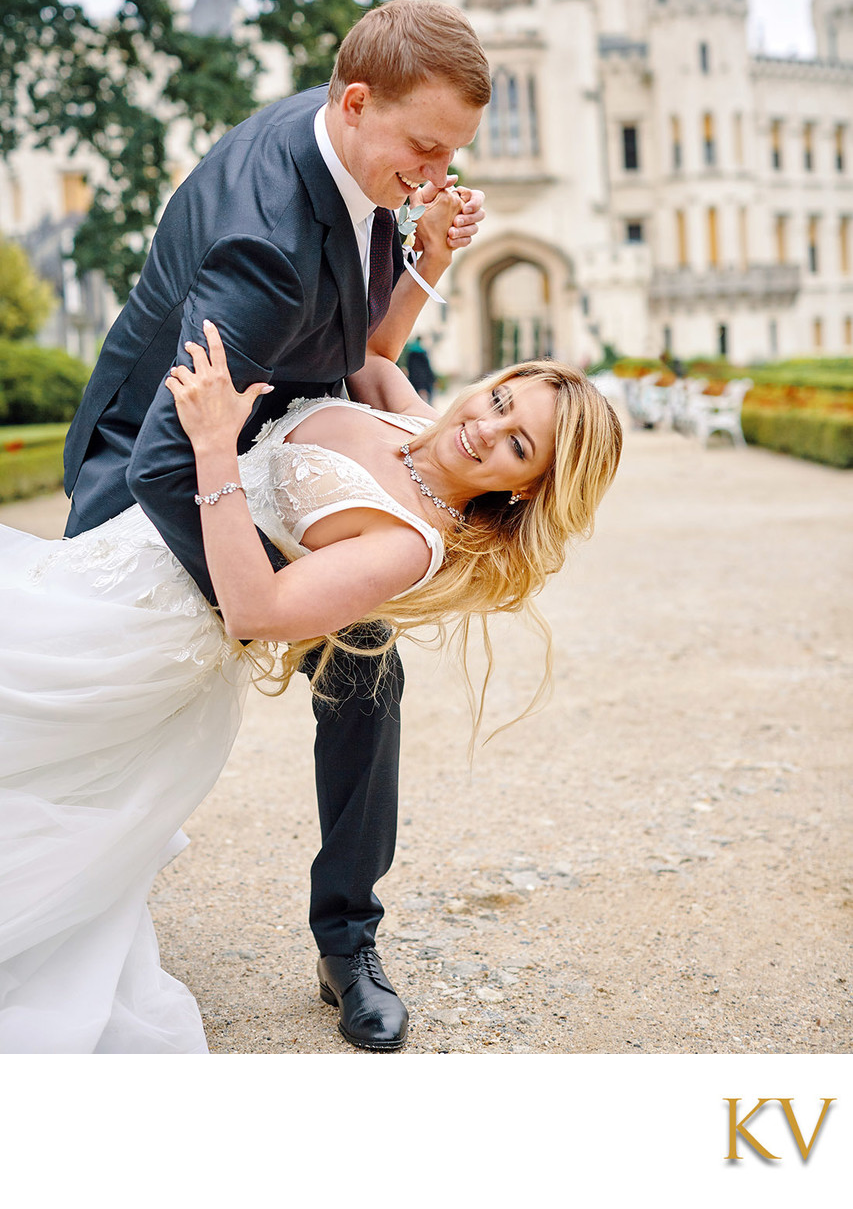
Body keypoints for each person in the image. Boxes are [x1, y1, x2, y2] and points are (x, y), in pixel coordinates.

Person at [59, 0, 490, 1051]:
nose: (434, 172)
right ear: (354, 102)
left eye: (449, 155)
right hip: (154, 475)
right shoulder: (266, 240)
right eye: (425, 151)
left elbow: (357, 346)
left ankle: (347, 937)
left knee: (366, 665)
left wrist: (424, 250)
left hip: (269, 448)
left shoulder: (361, 145)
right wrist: (275, 609)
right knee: (107, 716)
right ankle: (68, 905)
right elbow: (169, 454)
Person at [0, 326, 623, 1052]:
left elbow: (255, 611)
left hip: (161, 624)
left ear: (525, 485)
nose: (484, 428)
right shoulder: (416, 418)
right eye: (499, 398)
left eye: (518, 444)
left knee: (368, 679)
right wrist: (425, 250)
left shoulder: (409, 541)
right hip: (116, 561)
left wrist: (211, 446)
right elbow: (369, 342)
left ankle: (348, 941)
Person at [404, 336, 436, 404]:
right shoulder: (423, 353)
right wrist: (432, 379)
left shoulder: (410, 353)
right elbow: (427, 368)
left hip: (415, 379)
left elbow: (410, 368)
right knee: (427, 400)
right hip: (424, 380)